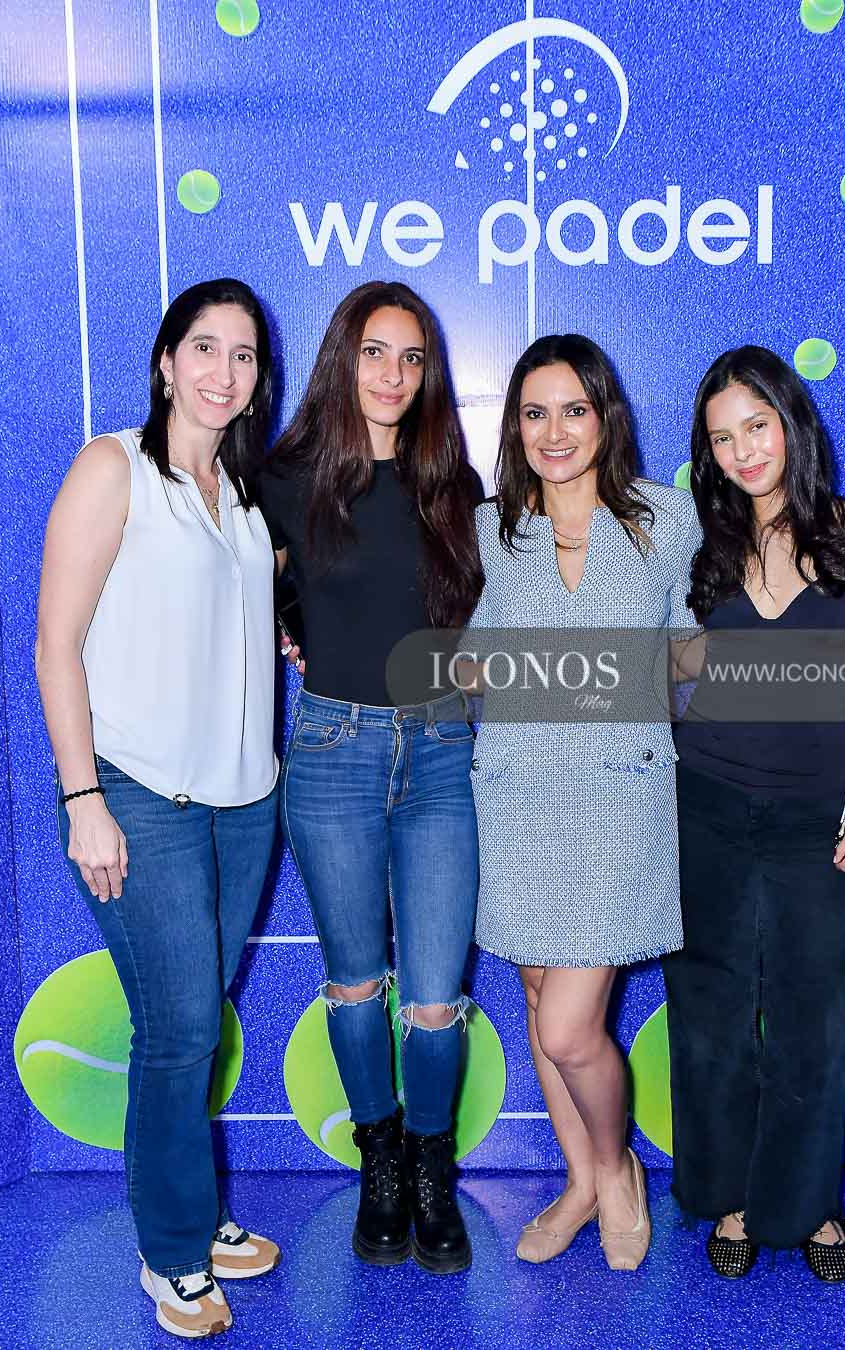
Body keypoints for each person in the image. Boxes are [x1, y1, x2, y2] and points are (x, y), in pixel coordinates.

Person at [35, 279, 282, 1339]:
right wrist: (83, 797)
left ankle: (196, 1209)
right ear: (168, 362)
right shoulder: (112, 466)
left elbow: (228, 616)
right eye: (206, 348)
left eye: (244, 355)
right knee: (178, 1029)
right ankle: (174, 1252)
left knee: (196, 1022)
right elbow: (56, 644)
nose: (225, 371)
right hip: (140, 792)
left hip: (244, 800)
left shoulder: (244, 492)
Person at [667, 344, 845, 1281]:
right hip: (704, 808)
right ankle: (732, 1195)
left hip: (820, 817)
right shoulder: (702, 543)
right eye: (722, 438)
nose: (744, 451)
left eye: (758, 426)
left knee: (816, 1021)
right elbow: (672, 663)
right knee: (709, 1019)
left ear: (792, 422)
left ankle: (811, 1203)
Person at [259, 281, 484, 1274]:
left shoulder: (451, 484)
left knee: (434, 999)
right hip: (332, 754)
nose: (394, 375)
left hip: (440, 753)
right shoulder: (283, 480)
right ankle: (379, 1162)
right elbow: (234, 582)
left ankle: (432, 1170)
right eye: (375, 353)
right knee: (355, 985)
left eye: (412, 357)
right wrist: (288, 624)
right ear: (341, 359)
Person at [466, 334, 702, 1271]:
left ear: (606, 414)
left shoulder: (667, 520)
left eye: (573, 409)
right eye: (534, 413)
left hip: (618, 798)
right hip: (515, 790)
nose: (554, 432)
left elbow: (695, 648)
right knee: (537, 999)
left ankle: (616, 1171)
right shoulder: (492, 529)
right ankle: (577, 1179)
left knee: (570, 1027)